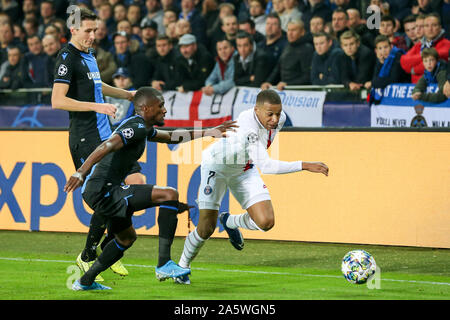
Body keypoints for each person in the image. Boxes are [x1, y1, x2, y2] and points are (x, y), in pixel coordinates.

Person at [64, 87, 238, 290]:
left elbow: (173, 137)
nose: (165, 110)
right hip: (103, 190)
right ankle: (164, 264)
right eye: (161, 106)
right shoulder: (135, 127)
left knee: (126, 238)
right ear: (145, 108)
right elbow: (107, 145)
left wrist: (209, 132)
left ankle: (84, 281)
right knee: (169, 194)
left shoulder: (144, 128)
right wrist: (81, 172)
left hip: (103, 191)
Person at [175, 89, 329, 284]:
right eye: (269, 114)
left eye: (278, 113)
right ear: (256, 110)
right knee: (206, 228)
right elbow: (266, 165)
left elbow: (260, 156)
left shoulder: (280, 120)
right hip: (217, 166)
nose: (275, 119)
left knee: (266, 222)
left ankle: (230, 221)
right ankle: (182, 267)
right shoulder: (247, 125)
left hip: (244, 168)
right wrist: (304, 165)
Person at [51, 7, 144, 283]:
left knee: (136, 180)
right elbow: (57, 100)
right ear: (74, 29)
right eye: (88, 31)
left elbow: (97, 85)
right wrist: (97, 107)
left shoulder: (88, 55)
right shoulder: (67, 57)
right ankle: (90, 255)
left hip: (105, 134)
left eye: (95, 30)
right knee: (108, 194)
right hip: (84, 137)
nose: (94, 35)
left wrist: (126, 94)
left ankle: (105, 248)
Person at [261, 19, 314, 90]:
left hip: (298, 91)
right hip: (285, 89)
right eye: (288, 30)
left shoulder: (307, 49)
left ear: (302, 32)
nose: (290, 33)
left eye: (293, 30)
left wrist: (289, 84)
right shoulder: (287, 46)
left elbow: (307, 76)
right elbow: (278, 68)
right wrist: (268, 82)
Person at [400, 13, 450, 83]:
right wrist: (425, 57)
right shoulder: (419, 45)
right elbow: (403, 61)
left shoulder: (447, 44)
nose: (430, 29)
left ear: (440, 27)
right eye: (426, 26)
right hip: (415, 89)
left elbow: (435, 62)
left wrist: (414, 70)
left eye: (434, 25)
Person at [368, 35, 409, 103]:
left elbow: (393, 79)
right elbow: (375, 77)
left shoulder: (398, 56)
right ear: (376, 51)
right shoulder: (380, 59)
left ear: (391, 47)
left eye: (386, 47)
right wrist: (381, 63)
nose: (383, 51)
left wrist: (372, 82)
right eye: (380, 48)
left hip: (403, 94)